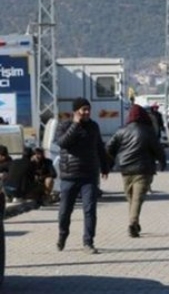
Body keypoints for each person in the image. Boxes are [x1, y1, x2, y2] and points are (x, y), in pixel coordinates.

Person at [56, 97, 111, 254]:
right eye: (83, 109)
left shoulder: (93, 126)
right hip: (69, 175)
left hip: (89, 175)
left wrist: (105, 166)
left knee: (90, 210)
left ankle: (88, 242)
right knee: (65, 211)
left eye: (88, 109)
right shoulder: (64, 125)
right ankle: (62, 234)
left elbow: (99, 146)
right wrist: (75, 124)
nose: (87, 112)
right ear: (76, 111)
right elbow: (63, 143)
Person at [107, 104, 166, 238]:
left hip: (125, 170)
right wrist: (162, 162)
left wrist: (109, 163)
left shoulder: (121, 131)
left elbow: (109, 147)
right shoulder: (148, 131)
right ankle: (133, 223)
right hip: (143, 169)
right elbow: (158, 149)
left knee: (131, 198)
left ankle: (134, 222)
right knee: (137, 199)